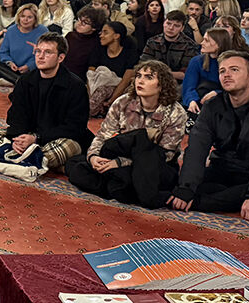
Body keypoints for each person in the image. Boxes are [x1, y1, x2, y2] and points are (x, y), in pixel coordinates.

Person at [167, 50, 249, 222]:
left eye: (234, 70)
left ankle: (208, 202)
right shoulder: (213, 106)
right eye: (222, 71)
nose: (226, 75)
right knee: (178, 187)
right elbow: (197, 147)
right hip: (226, 169)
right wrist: (186, 188)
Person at [66, 60, 187, 209]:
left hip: (153, 166)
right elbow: (103, 135)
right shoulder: (122, 102)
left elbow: (166, 154)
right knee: (75, 166)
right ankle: (118, 187)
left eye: (149, 77)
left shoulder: (176, 112)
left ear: (162, 85)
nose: (140, 81)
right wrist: (94, 157)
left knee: (131, 169)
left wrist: (120, 162)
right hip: (118, 156)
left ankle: (118, 186)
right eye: (138, 76)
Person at [0, 34, 93, 172]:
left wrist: (36, 138)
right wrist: (18, 139)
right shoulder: (25, 81)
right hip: (29, 137)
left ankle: (10, 158)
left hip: (57, 139)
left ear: (60, 58)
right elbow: (15, 116)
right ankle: (33, 161)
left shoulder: (75, 85)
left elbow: (75, 128)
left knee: (66, 148)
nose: (40, 56)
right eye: (38, 51)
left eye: (48, 52)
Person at [87, 21, 142, 115]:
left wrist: (111, 101)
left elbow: (125, 81)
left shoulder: (130, 53)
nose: (101, 35)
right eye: (101, 32)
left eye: (106, 32)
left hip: (119, 88)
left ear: (116, 36)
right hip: (96, 86)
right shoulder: (98, 50)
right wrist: (89, 96)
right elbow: (90, 76)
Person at [182, 28, 238, 117]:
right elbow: (188, 86)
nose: (201, 43)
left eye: (206, 41)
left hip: (224, 103)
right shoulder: (196, 61)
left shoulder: (233, 63)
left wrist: (217, 93)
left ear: (219, 45)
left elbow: (237, 89)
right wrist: (191, 101)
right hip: (199, 102)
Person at [0, 4, 48, 87]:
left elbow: (47, 55)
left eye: (30, 17)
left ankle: (14, 81)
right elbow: (3, 52)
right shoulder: (11, 30)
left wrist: (29, 66)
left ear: (35, 19)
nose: (25, 20)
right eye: (23, 16)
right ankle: (19, 81)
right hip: (13, 68)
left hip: (33, 67)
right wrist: (10, 63)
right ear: (19, 17)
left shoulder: (42, 31)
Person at [141, 10, 200, 82]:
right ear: (163, 23)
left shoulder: (189, 45)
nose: (171, 28)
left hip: (177, 83)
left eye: (176, 26)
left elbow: (185, 74)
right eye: (168, 23)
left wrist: (160, 73)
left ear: (182, 28)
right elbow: (143, 64)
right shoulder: (152, 42)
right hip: (152, 80)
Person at [63, 7, 106, 79]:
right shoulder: (70, 36)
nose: (79, 24)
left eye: (84, 23)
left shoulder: (97, 43)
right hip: (62, 73)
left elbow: (92, 67)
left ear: (94, 27)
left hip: (80, 79)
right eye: (79, 19)